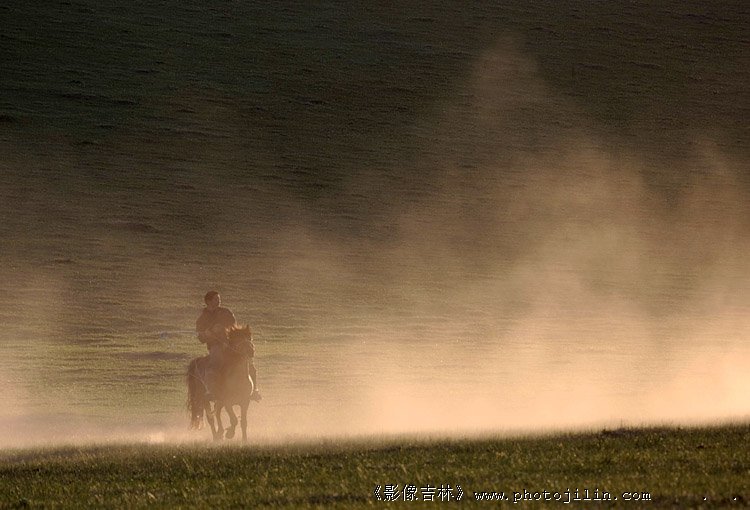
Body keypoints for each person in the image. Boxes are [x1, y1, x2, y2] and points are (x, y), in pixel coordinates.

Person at [195, 291, 236, 398]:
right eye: (216, 299)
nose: (219, 301)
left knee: (246, 358)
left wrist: (223, 329)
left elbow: (234, 326)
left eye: (219, 299)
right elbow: (200, 337)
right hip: (215, 346)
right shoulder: (202, 318)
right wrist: (206, 333)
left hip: (230, 344)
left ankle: (254, 389)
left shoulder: (226, 312)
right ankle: (211, 390)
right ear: (208, 301)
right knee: (216, 363)